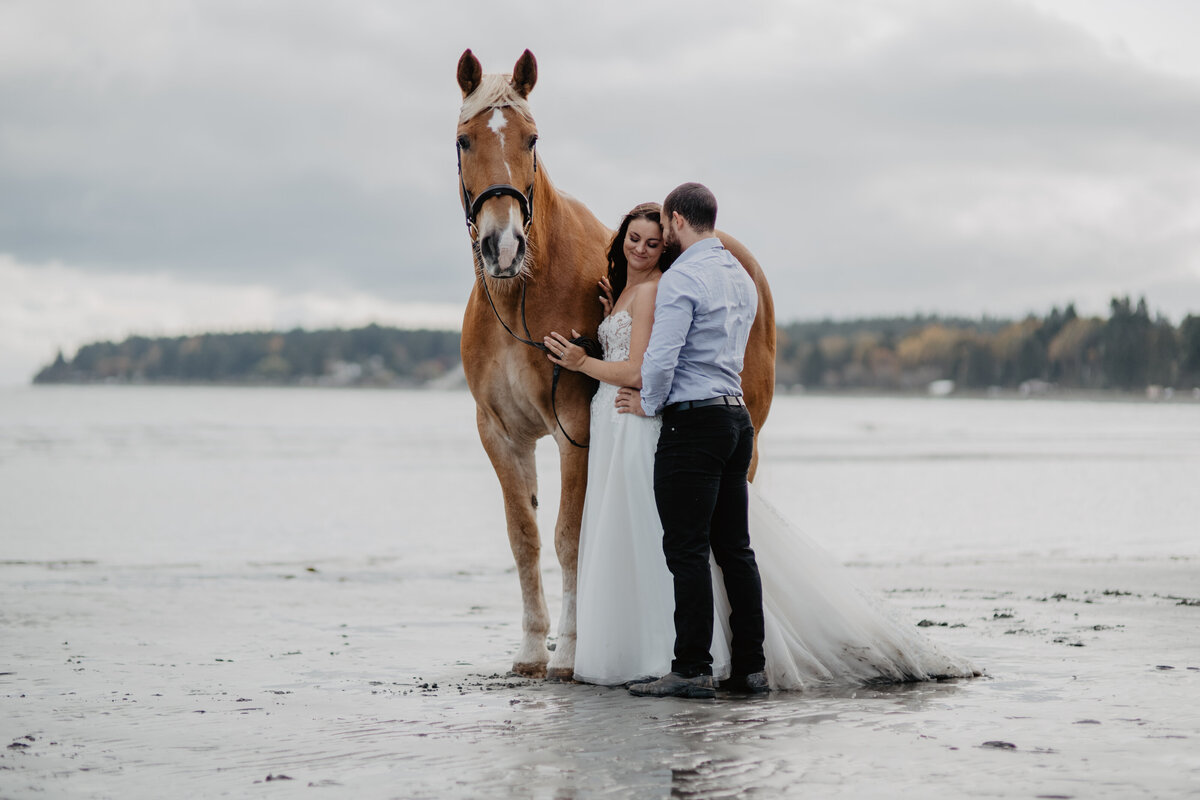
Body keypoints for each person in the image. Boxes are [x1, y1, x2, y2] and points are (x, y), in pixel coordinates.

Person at [550, 189, 978, 696]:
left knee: (685, 552)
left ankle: (691, 668)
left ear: (676, 220)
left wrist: (647, 403)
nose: (653, 244)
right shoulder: (738, 275)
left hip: (693, 423)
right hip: (735, 420)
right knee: (736, 550)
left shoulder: (682, 278)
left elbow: (657, 368)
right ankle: (751, 665)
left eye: (661, 230)